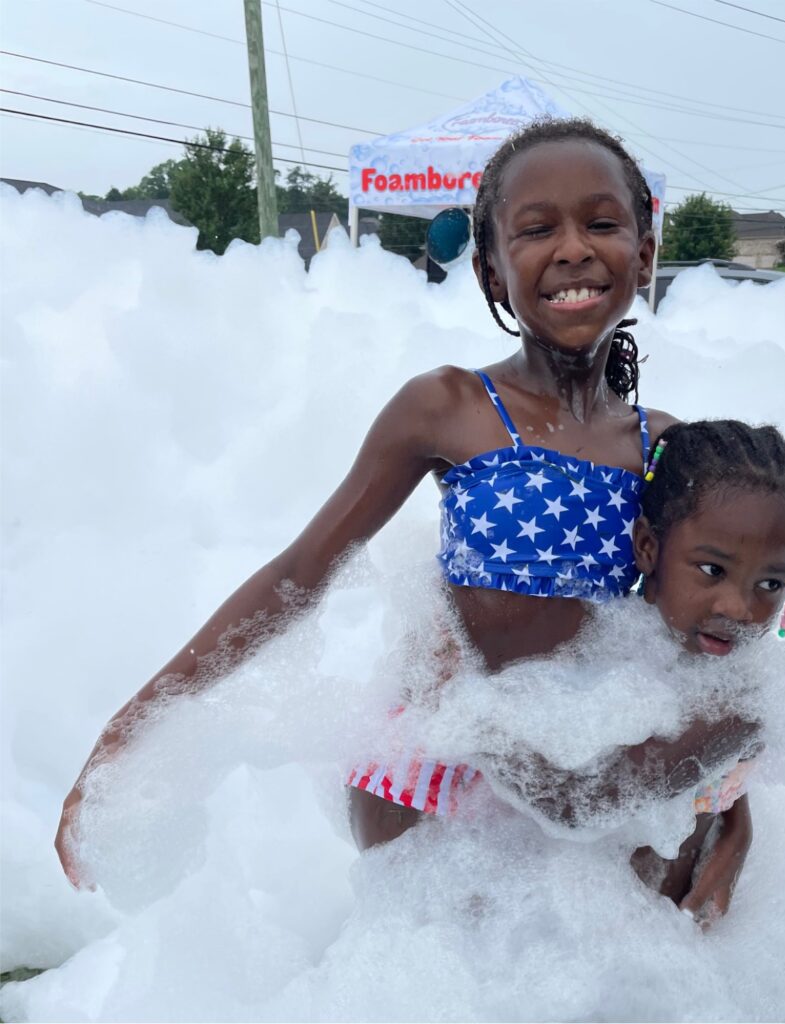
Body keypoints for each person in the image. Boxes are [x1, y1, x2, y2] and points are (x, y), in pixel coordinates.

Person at [56, 116, 689, 884]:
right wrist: (138, 725)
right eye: (534, 229)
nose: (573, 249)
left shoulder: (668, 448)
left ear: (645, 251)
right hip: (434, 767)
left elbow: (715, 637)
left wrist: (729, 812)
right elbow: (300, 574)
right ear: (492, 271)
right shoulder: (449, 407)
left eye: (601, 222)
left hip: (583, 770)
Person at [627, 419, 785, 927]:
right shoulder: (616, 675)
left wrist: (737, 836)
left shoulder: (744, 678)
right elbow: (593, 804)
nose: (739, 607)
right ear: (649, 547)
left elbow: (720, 780)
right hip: (597, 927)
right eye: (713, 570)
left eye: (771, 583)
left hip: (670, 933)